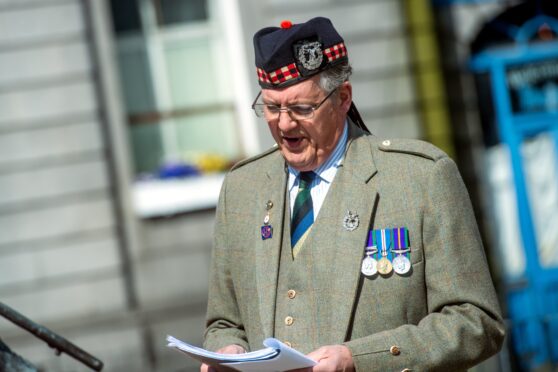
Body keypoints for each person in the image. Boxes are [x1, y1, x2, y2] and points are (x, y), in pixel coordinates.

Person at [201, 17, 505, 372]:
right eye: (271, 107)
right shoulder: (242, 189)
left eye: (301, 108)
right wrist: (228, 351)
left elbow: (477, 323)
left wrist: (358, 360)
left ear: (343, 98)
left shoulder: (420, 177)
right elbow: (224, 322)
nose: (284, 124)